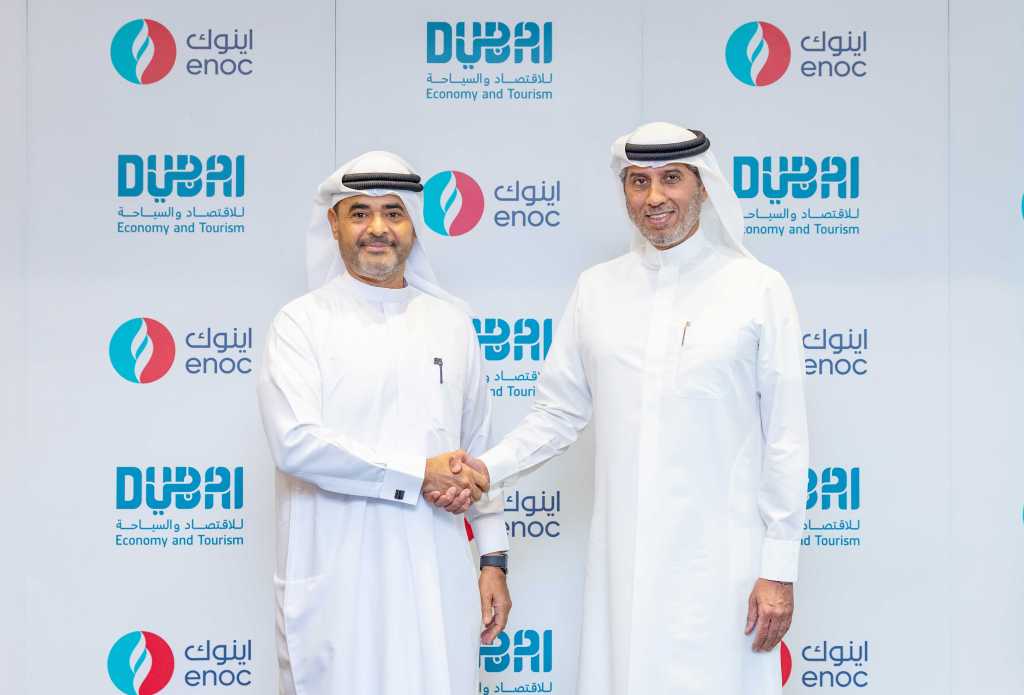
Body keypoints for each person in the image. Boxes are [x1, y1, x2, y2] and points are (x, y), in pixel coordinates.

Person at [429, 122, 809, 694]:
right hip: (622, 561)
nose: (654, 197)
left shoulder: (758, 289)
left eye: (671, 179)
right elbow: (558, 413)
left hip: (723, 562)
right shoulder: (597, 289)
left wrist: (778, 567)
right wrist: (486, 468)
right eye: (638, 182)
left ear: (702, 186)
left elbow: (785, 437)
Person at [258, 150, 512, 695]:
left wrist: (493, 559)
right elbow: (295, 444)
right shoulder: (301, 323)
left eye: (393, 212)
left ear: (413, 223)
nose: (378, 228)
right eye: (360, 213)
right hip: (338, 577)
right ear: (334, 224)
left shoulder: (451, 323)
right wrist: (418, 473)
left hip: (435, 573)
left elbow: (478, 452)